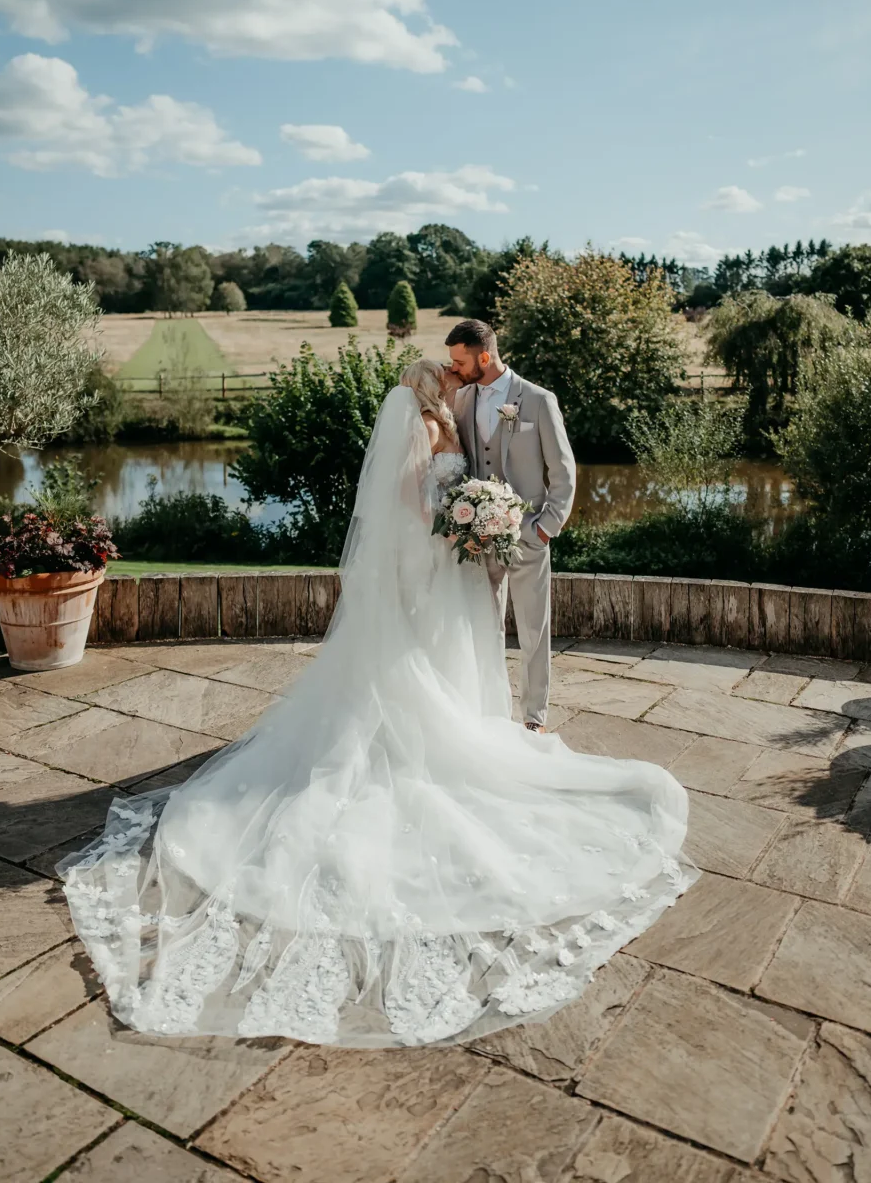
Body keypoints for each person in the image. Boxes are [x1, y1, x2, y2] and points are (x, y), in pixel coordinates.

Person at [60, 360, 696, 1049]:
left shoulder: (439, 418)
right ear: (433, 388)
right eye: (447, 377)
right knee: (422, 667)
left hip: (439, 562)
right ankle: (421, 740)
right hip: (432, 564)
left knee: (435, 660)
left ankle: (436, 726)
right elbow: (409, 498)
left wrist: (469, 516)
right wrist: (457, 524)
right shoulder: (427, 422)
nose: (456, 383)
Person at [445, 319, 574, 733]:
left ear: (484, 356)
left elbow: (563, 471)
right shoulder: (463, 400)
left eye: (460, 361)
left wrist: (545, 528)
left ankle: (533, 717)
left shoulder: (536, 400)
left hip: (528, 535)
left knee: (534, 631)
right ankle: (492, 710)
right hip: (476, 538)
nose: (455, 369)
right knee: (485, 627)